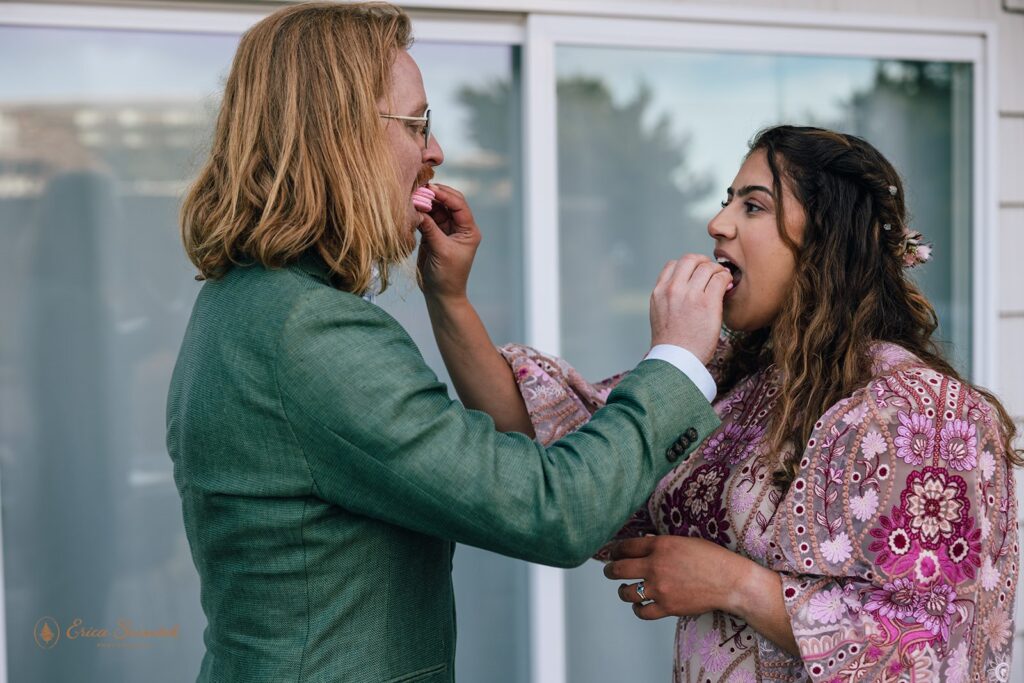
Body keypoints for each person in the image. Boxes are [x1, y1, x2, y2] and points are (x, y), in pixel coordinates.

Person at [166, 3, 732, 681]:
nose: (434, 152)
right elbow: (552, 511)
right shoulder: (308, 332)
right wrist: (674, 359)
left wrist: (449, 297)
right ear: (337, 134)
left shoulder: (242, 303)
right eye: (418, 124)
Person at [431, 125, 1021, 682]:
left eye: (753, 206)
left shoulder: (924, 412)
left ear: (829, 241)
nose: (717, 224)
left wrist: (732, 584)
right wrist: (449, 295)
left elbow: (932, 647)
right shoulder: (734, 384)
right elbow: (572, 453)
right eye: (726, 200)